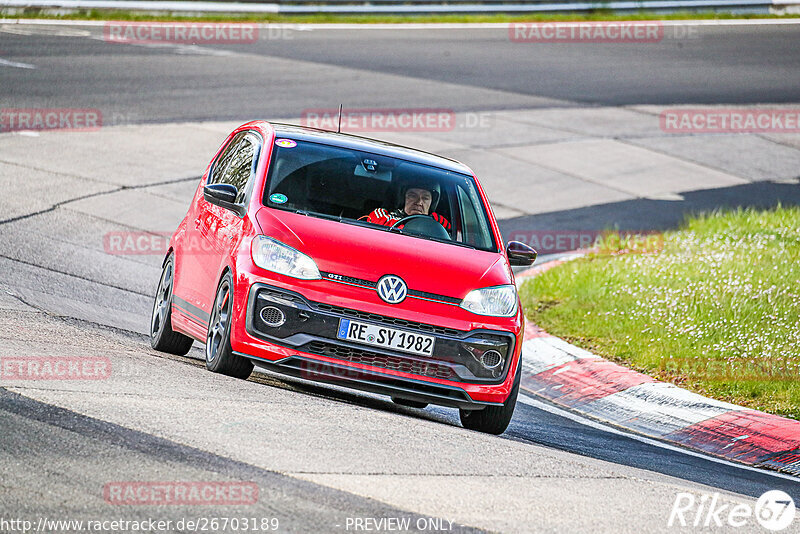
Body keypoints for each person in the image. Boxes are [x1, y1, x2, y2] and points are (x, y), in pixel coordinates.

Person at [366, 180, 450, 230]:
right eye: (413, 196)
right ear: (403, 198)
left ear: (431, 203)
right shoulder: (383, 216)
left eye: (425, 198)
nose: (419, 202)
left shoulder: (437, 222)